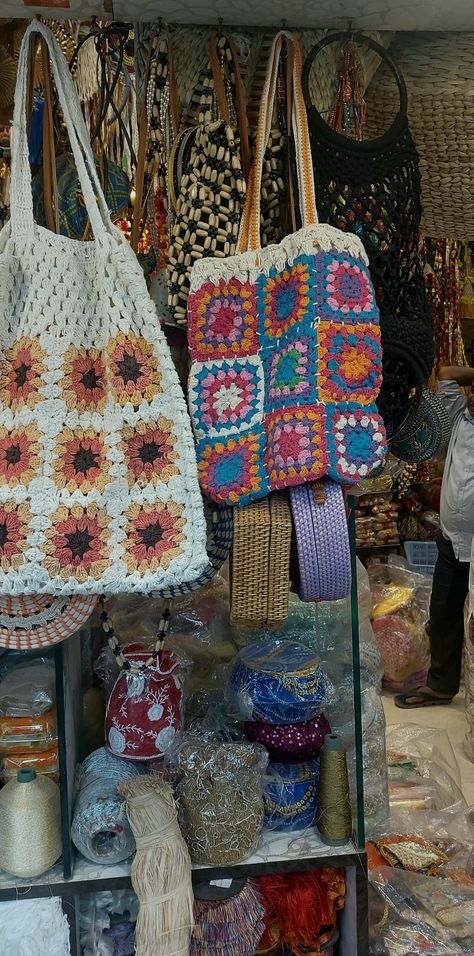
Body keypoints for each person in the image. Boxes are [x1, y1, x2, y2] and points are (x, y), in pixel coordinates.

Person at [395, 365, 474, 708]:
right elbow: (446, 373)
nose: (472, 398)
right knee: (443, 612)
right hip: (452, 537)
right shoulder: (461, 417)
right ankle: (442, 685)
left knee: (471, 622)